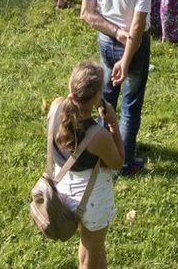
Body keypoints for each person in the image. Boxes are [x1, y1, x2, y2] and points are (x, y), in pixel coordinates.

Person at [79, 0, 154, 179]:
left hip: (106, 42)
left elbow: (86, 13)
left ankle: (103, 153)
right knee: (131, 103)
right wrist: (126, 57)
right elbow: (137, 25)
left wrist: (113, 31)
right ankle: (125, 162)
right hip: (135, 47)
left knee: (105, 99)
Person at [44, 60, 122, 268]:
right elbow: (118, 162)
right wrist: (113, 123)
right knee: (88, 259)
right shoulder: (98, 136)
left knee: (96, 249)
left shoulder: (56, 107)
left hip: (63, 191)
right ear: (97, 97)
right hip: (91, 200)